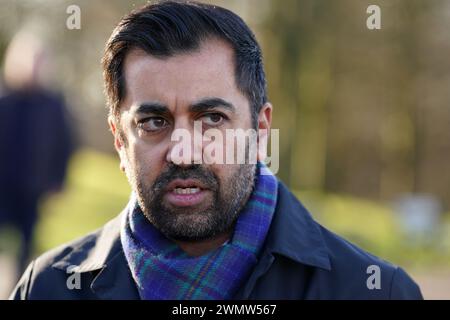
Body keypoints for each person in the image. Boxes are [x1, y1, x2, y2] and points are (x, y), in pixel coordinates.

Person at [10, 1, 422, 300]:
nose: (184, 152)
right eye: (154, 123)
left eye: (211, 119)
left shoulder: (373, 292)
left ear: (260, 129)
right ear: (120, 141)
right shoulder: (47, 289)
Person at [0, 31, 73, 276]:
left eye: (38, 61)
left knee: (26, 242)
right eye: (29, 60)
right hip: (3, 183)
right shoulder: (5, 99)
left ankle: (16, 288)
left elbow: (65, 144)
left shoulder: (53, 103)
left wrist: (59, 181)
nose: (33, 67)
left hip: (34, 186)